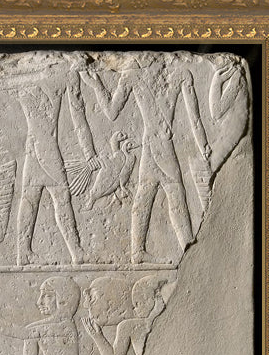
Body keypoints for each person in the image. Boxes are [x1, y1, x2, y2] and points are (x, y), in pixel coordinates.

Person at [83, 56, 211, 263]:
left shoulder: (147, 74)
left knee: (149, 195)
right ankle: (182, 249)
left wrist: (97, 85)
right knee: (171, 194)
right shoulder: (174, 73)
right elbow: (195, 120)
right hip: (159, 147)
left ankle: (143, 251)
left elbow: (111, 112)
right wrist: (203, 144)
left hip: (154, 145)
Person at [1, 56, 99, 265]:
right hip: (46, 148)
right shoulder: (65, 75)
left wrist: (90, 152)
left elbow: (78, 119)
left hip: (35, 147)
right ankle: (75, 252)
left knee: (31, 197)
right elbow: (78, 120)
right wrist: (89, 153)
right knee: (60, 197)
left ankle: (24, 253)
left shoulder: (53, 75)